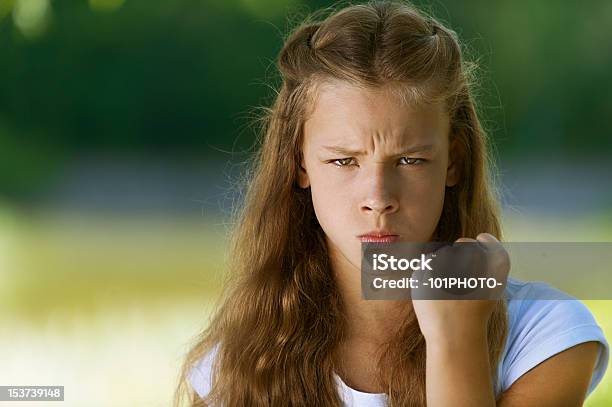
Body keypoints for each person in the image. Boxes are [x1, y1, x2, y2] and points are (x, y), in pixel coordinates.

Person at [174, 1, 609, 405]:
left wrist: (455, 337)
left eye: (410, 160)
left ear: (453, 162)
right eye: (344, 161)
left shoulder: (547, 337)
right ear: (299, 165)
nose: (378, 198)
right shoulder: (229, 368)